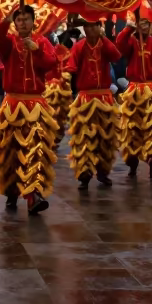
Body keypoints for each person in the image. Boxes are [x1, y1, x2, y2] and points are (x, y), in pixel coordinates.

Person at [0, 7, 58, 214]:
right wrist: (5, 20)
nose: (22, 23)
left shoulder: (43, 42)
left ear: (33, 21)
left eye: (26, 19)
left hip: (36, 103)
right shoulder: (9, 42)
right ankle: (11, 189)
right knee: (11, 151)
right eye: (18, 19)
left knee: (36, 151)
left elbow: (52, 63)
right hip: (12, 104)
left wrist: (36, 49)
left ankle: (33, 195)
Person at [66, 21, 122, 190]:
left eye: (95, 25)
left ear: (100, 27)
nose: (91, 29)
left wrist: (105, 40)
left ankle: (103, 171)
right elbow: (71, 67)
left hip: (104, 96)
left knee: (106, 138)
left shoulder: (104, 44)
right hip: (85, 97)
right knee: (84, 137)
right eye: (88, 26)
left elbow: (116, 56)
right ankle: (84, 173)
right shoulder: (79, 46)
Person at [116, 16, 152, 179]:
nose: (144, 27)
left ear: (151, 26)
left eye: (146, 24)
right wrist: (128, 30)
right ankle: (132, 163)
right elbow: (119, 47)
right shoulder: (132, 41)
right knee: (131, 128)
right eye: (141, 24)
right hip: (134, 88)